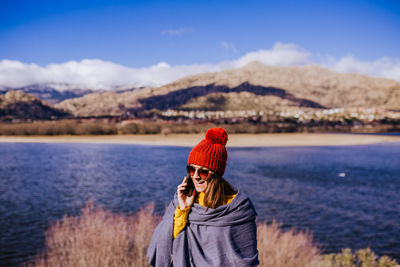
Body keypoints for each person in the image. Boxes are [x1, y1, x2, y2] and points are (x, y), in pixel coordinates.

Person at [147, 127, 259, 267]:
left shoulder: (239, 209)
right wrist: (183, 210)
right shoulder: (182, 198)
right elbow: (164, 243)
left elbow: (246, 259)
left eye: (203, 172)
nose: (196, 176)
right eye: (191, 169)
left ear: (216, 174)